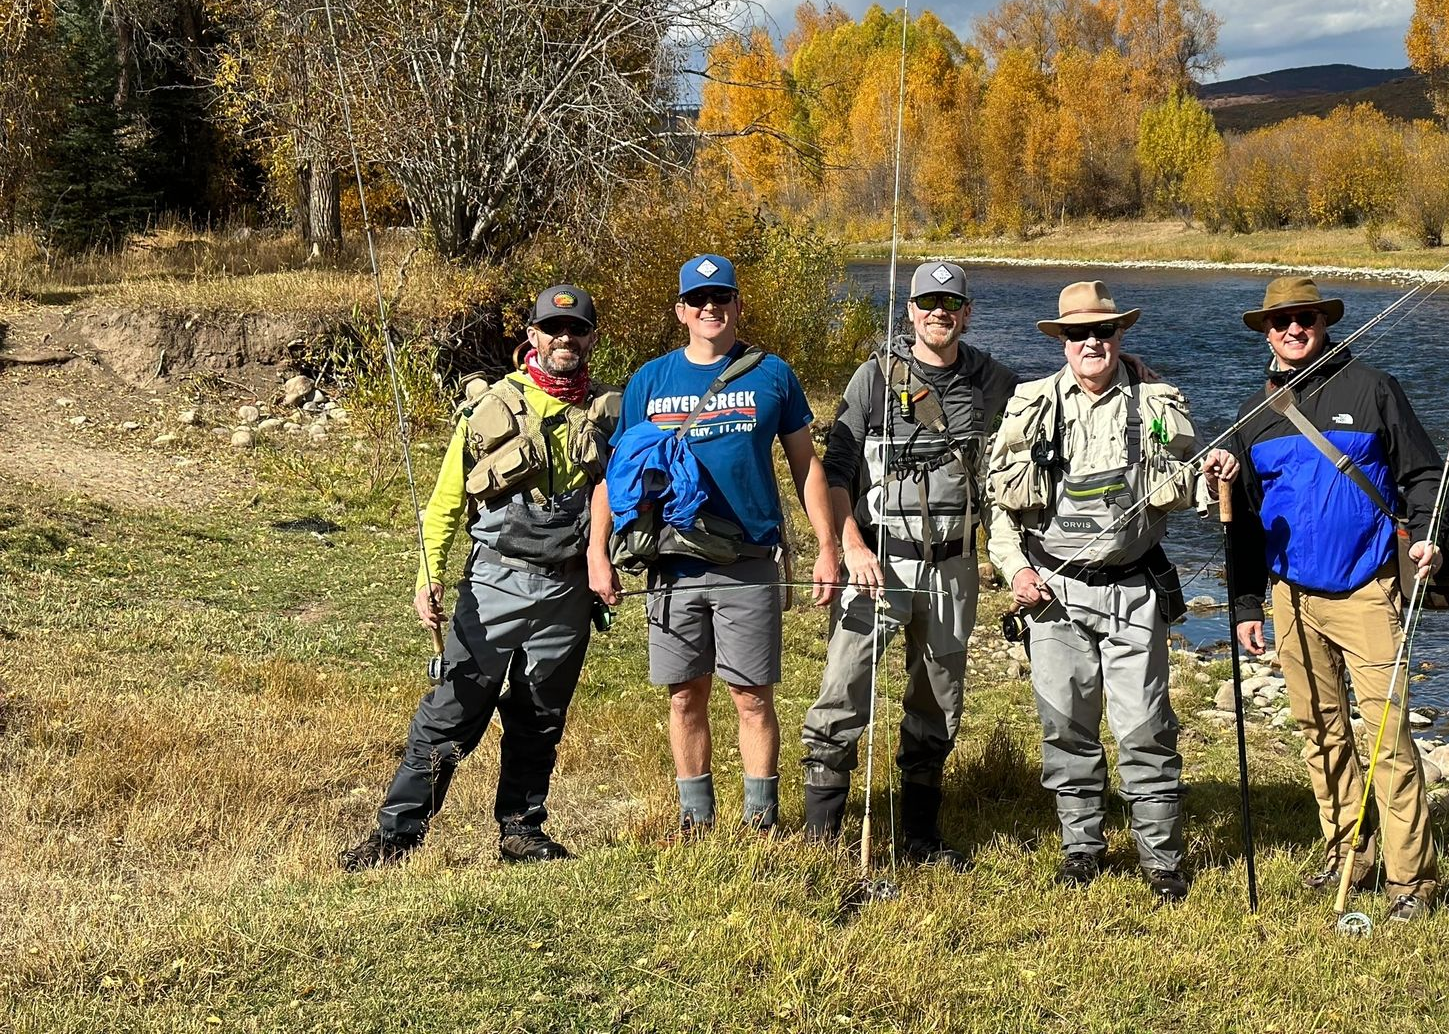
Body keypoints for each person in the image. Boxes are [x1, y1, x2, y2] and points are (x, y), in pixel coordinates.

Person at [340, 284, 621, 871]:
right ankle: (396, 836)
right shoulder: (491, 407)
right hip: (495, 583)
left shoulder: (610, 412)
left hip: (568, 591)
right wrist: (428, 576)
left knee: (540, 715)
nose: (564, 339)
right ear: (533, 336)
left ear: (592, 338)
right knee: (453, 709)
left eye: (576, 330)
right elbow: (445, 502)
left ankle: (521, 830)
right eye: (552, 329)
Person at [1220, 274, 1449, 922]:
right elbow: (1242, 522)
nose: (1293, 330)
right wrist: (1244, 607)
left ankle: (1412, 883)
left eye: (1305, 318)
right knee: (1319, 732)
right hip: (1291, 599)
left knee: (1387, 742)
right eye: (1280, 321)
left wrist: (1428, 534)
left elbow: (1425, 474)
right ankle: (1348, 847)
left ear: (1324, 322)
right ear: (1265, 331)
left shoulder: (1374, 390)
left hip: (1368, 592)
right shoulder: (1252, 417)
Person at [587, 254, 840, 834]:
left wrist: (828, 546)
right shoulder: (650, 380)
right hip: (670, 562)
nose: (710, 308)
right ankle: (695, 822)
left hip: (748, 559)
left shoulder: (771, 373)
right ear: (681, 311)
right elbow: (617, 474)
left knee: (752, 697)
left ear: (737, 306)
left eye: (721, 298)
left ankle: (761, 825)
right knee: (684, 696)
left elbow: (807, 467)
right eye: (698, 300)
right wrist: (598, 553)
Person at [984, 280, 1204, 901]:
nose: (1091, 343)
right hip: (1053, 594)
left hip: (1134, 591)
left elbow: (1192, 488)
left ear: (1120, 335)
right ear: (1062, 341)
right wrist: (1013, 569)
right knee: (1066, 726)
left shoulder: (1159, 403)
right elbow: (999, 502)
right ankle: (1082, 848)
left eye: (1102, 332)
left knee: (1146, 727)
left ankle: (1160, 858)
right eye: (1078, 334)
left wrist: (1213, 476)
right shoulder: (1031, 405)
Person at [799, 260, 1018, 862]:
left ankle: (921, 835)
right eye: (928, 303)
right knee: (843, 693)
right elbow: (834, 470)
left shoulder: (993, 381)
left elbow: (1063, 394)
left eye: (952, 303)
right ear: (911, 311)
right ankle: (821, 838)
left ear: (967, 313)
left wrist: (1132, 369)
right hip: (879, 564)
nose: (939, 312)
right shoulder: (873, 380)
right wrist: (850, 545)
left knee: (938, 700)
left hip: (954, 568)